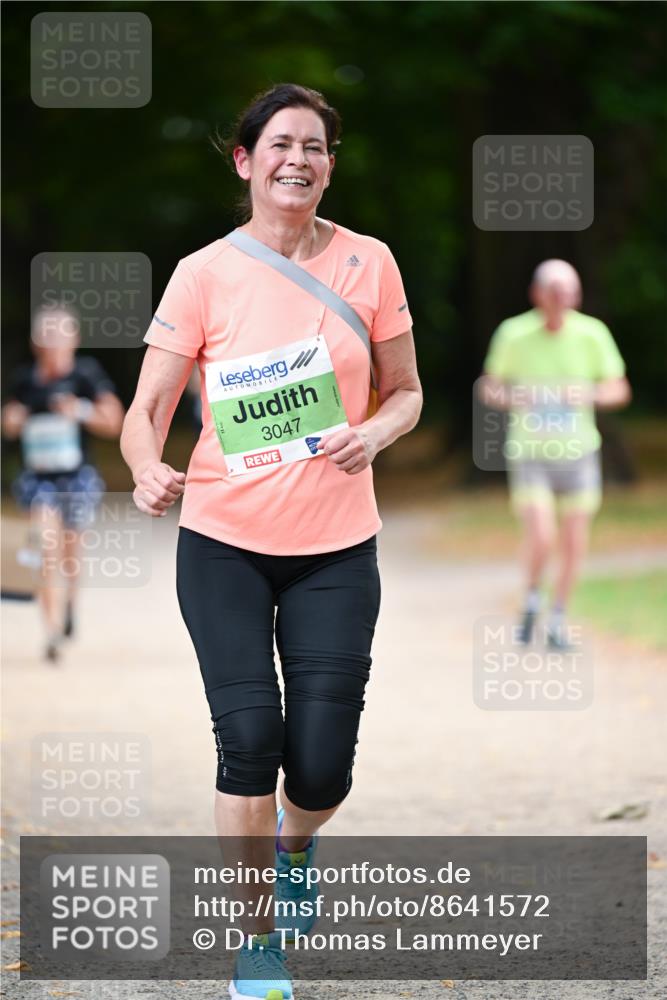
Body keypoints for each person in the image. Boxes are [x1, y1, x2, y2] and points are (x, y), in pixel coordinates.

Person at [120, 83, 422, 999]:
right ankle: (256, 944)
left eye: (316, 146)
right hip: (223, 540)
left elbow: (406, 391)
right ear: (245, 160)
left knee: (322, 763)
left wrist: (373, 433)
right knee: (248, 740)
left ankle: (296, 845)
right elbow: (147, 411)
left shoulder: (369, 263)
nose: (299, 158)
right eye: (280, 144)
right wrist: (144, 468)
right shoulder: (203, 274)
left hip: (337, 545)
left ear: (331, 164)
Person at [479, 259, 631, 648]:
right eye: (556, 291)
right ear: (537, 294)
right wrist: (515, 398)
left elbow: (620, 389)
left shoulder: (592, 334)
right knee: (542, 535)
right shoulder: (513, 333)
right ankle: (532, 597)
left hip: (580, 453)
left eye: (570, 291)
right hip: (532, 453)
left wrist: (591, 394)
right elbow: (488, 386)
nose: (564, 298)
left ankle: (558, 616)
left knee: (575, 541)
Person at [1, 305, 124, 661]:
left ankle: (70, 604)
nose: (54, 342)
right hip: (38, 479)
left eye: (60, 334)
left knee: (70, 552)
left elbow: (114, 420)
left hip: (76, 477)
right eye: (47, 335)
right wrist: (14, 417)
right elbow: (8, 423)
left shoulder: (86, 375)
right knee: (44, 549)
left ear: (74, 339)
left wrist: (80, 410)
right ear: (36, 341)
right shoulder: (25, 380)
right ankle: (51, 630)